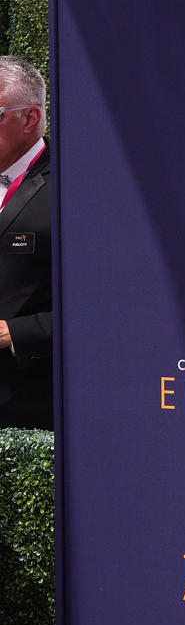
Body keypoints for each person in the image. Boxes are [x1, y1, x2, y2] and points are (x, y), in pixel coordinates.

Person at [0, 57, 52, 430]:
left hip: (27, 408)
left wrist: (15, 333)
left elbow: (108, 305)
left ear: (29, 119)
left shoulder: (75, 185)